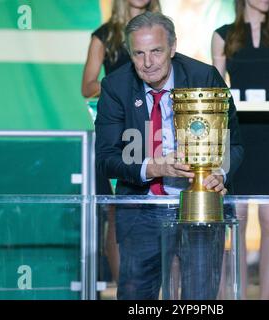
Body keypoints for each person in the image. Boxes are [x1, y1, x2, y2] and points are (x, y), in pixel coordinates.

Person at [95, 12, 243, 300]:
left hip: (199, 210)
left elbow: (234, 144)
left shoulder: (204, 77)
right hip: (141, 211)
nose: (148, 62)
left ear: (173, 48)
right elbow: (106, 158)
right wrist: (153, 167)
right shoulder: (116, 86)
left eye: (156, 51)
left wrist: (217, 175)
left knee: (199, 300)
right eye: (138, 53)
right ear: (129, 53)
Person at [211, 0, 269, 299]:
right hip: (234, 136)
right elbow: (215, 88)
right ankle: (233, 295)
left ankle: (265, 296)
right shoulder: (223, 35)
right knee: (236, 218)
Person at [81, 0, 161, 284]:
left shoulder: (161, 30)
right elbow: (87, 86)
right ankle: (123, 289)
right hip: (120, 130)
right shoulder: (105, 35)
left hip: (156, 127)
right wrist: (120, 85)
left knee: (162, 205)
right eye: (138, 52)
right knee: (118, 210)